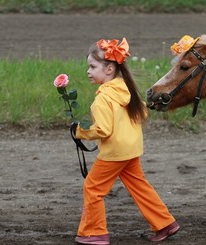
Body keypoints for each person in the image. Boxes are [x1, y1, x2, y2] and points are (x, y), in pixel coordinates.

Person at [72, 37, 180, 245]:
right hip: (132, 150)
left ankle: (95, 233)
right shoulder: (126, 89)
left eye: (93, 66)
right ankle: (165, 223)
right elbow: (143, 115)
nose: (88, 71)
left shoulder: (102, 98)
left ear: (109, 69)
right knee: (139, 186)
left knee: (93, 189)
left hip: (114, 154)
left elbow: (103, 130)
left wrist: (79, 131)